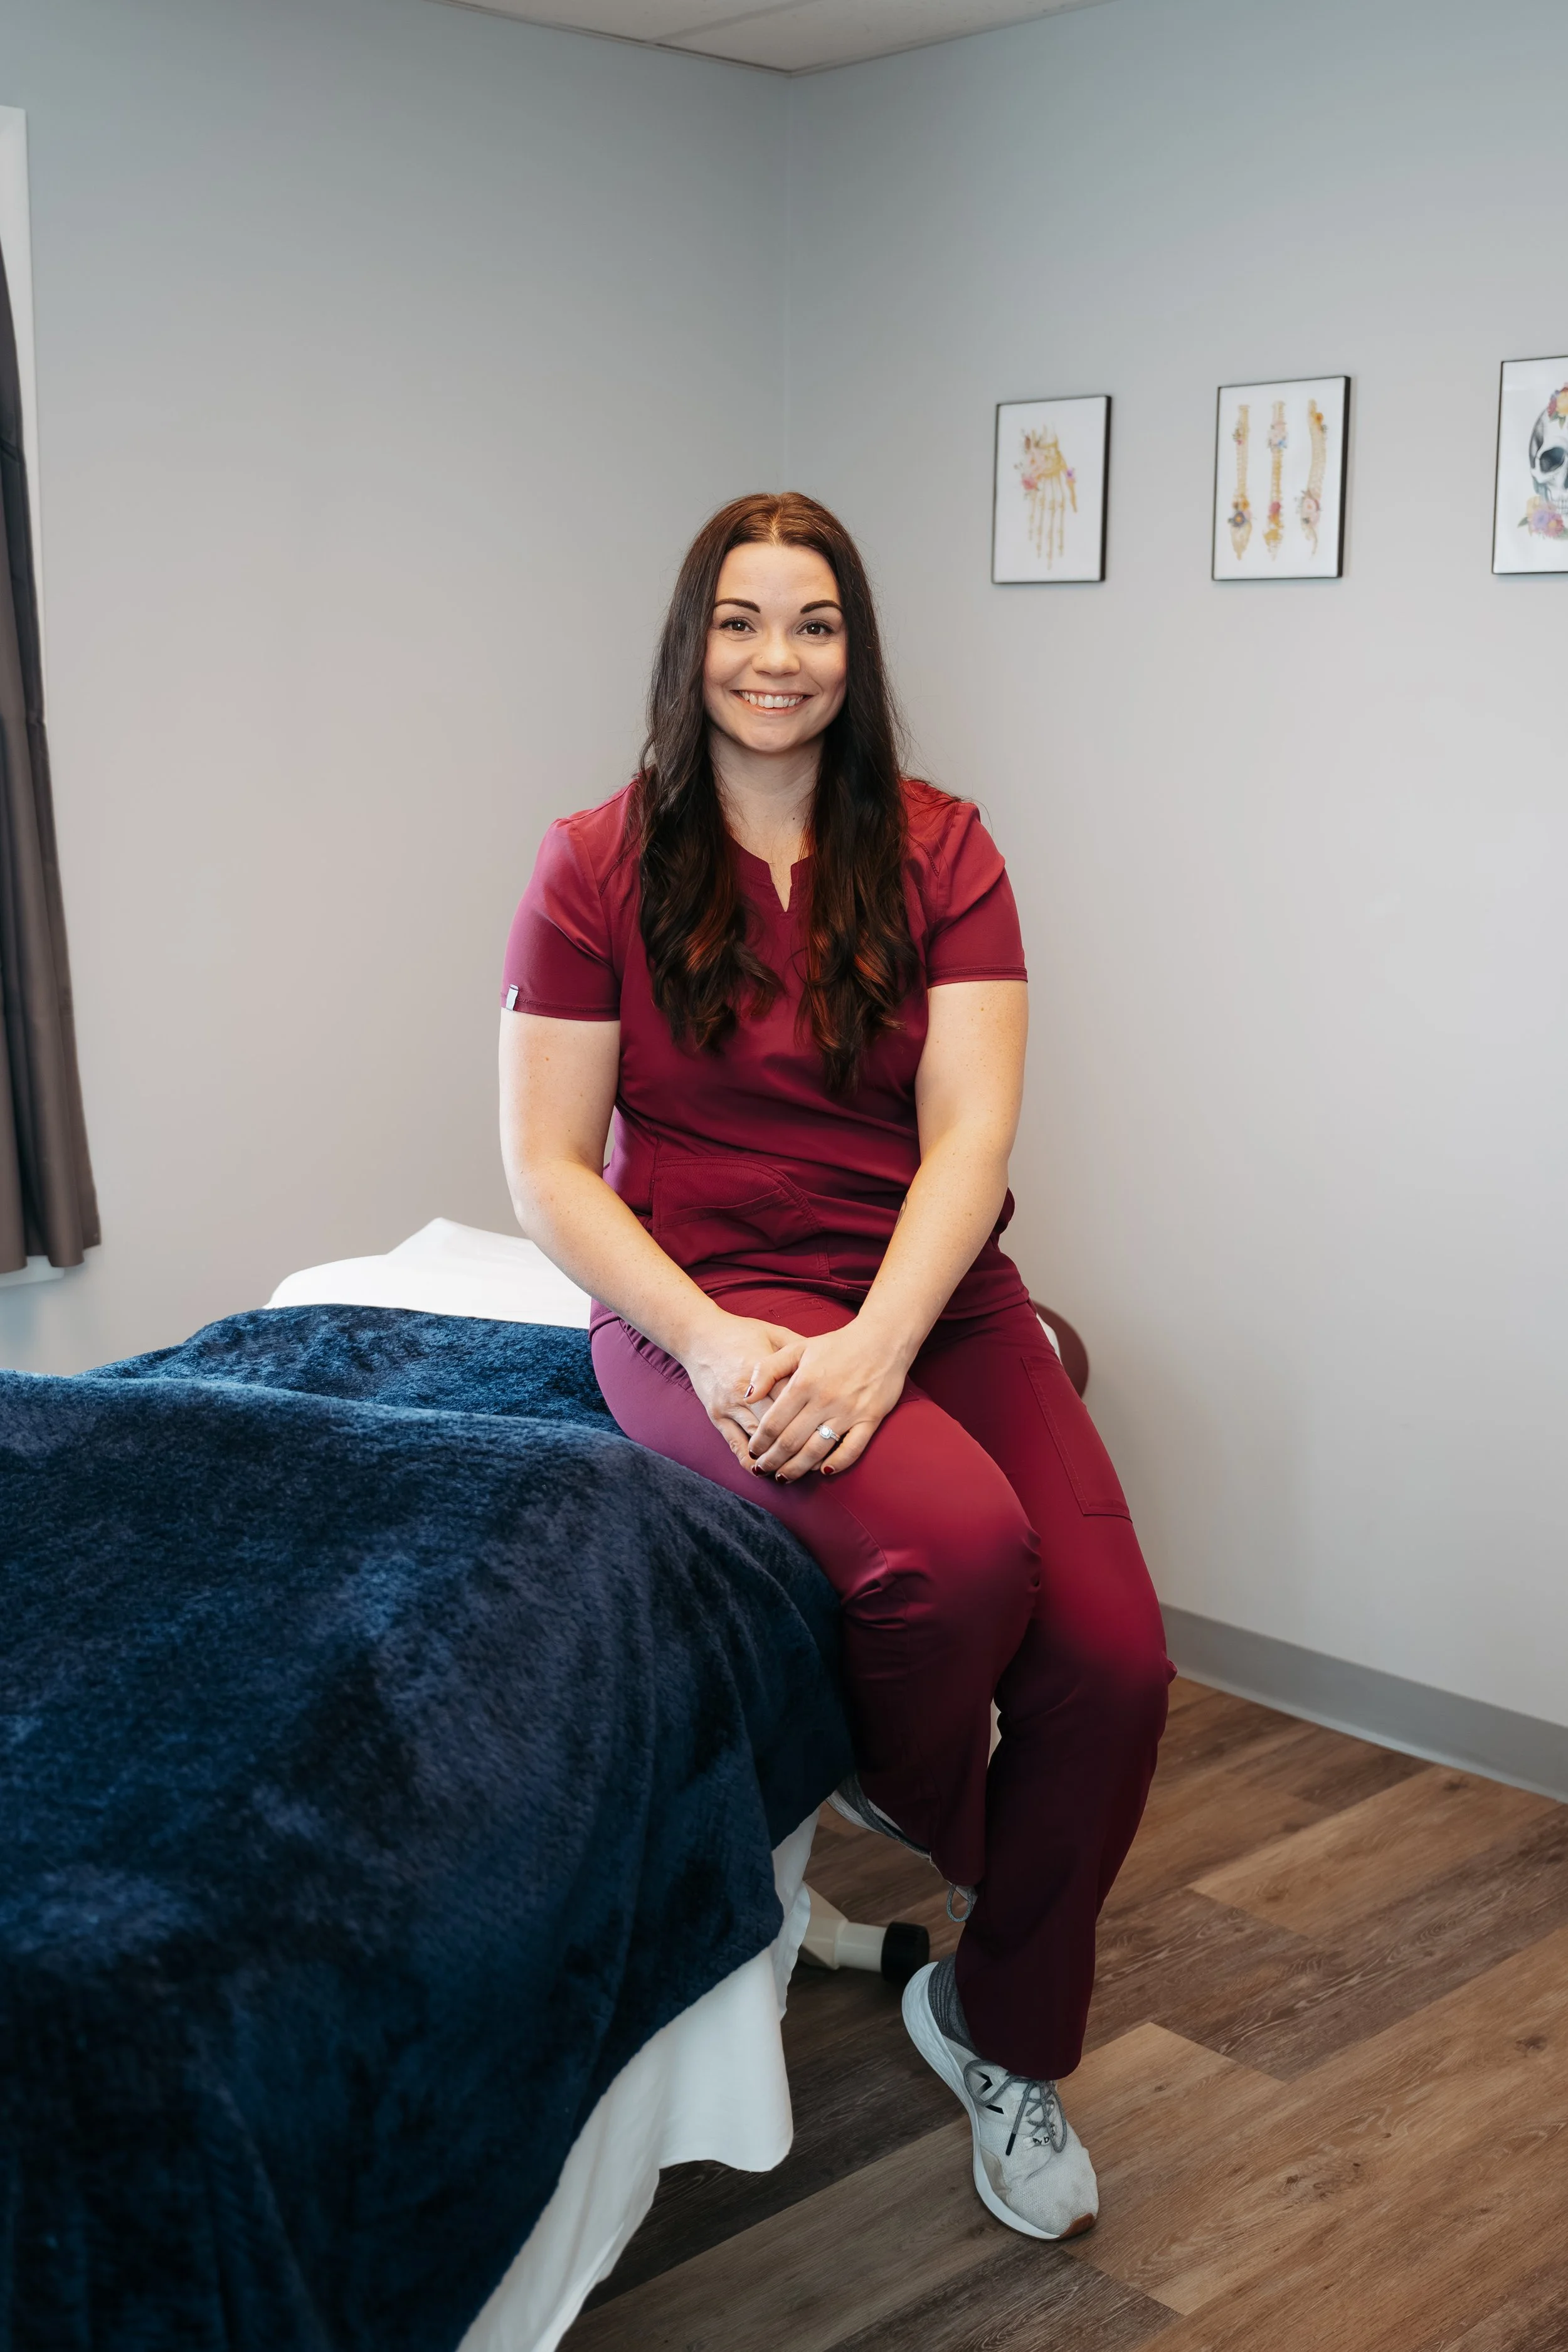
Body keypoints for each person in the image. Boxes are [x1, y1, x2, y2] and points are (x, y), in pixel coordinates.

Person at [498, 491, 1171, 2242]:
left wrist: (882, 1339)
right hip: (692, 1299)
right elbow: (550, 1170)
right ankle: (919, 1779)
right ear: (687, 643)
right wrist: (718, 1339)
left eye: (810, 624)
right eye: (738, 620)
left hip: (927, 1291)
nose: (773, 659)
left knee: (1115, 1659)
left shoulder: (944, 850)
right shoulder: (592, 862)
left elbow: (969, 1134)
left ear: (853, 653)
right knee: (953, 1557)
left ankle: (992, 2026)